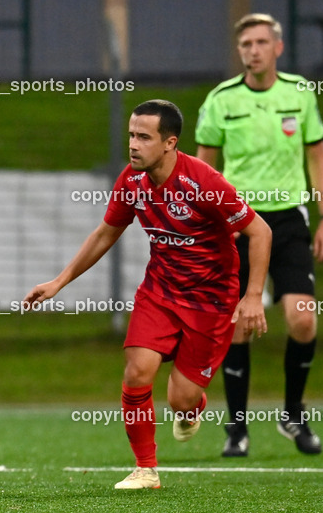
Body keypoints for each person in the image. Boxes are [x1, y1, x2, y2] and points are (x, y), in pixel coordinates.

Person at [24, 100, 271, 489]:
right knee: (137, 370)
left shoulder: (203, 182)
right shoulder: (131, 181)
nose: (133, 145)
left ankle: (192, 407)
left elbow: (260, 232)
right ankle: (145, 469)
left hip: (210, 301)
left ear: (170, 143)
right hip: (160, 291)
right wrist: (60, 281)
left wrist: (253, 295)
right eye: (131, 135)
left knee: (181, 400)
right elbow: (105, 233)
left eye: (143, 137)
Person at [196, 13, 323, 457]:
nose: (253, 51)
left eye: (261, 42)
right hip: (238, 221)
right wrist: (206, 222)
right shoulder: (221, 99)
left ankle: (293, 414)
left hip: (288, 221)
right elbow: (203, 167)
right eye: (246, 44)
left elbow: (317, 157)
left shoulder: (299, 93)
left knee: (302, 318)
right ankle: (237, 428)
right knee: (237, 324)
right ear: (239, 51)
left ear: (278, 48)